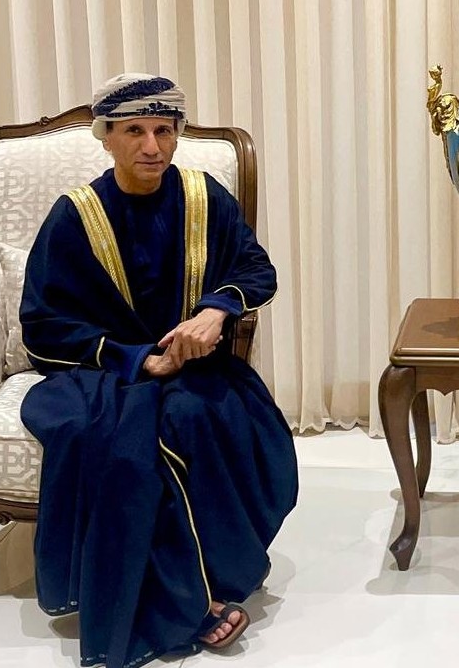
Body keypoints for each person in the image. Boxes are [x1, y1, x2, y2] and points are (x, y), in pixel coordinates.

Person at [19, 73, 299, 668]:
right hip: (105, 374)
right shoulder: (75, 216)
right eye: (135, 131)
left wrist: (216, 311)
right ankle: (191, 602)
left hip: (198, 369)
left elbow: (256, 269)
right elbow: (42, 326)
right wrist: (138, 358)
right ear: (106, 138)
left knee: (198, 418)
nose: (152, 147)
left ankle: (199, 578)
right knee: (124, 444)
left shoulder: (203, 197)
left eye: (164, 131)